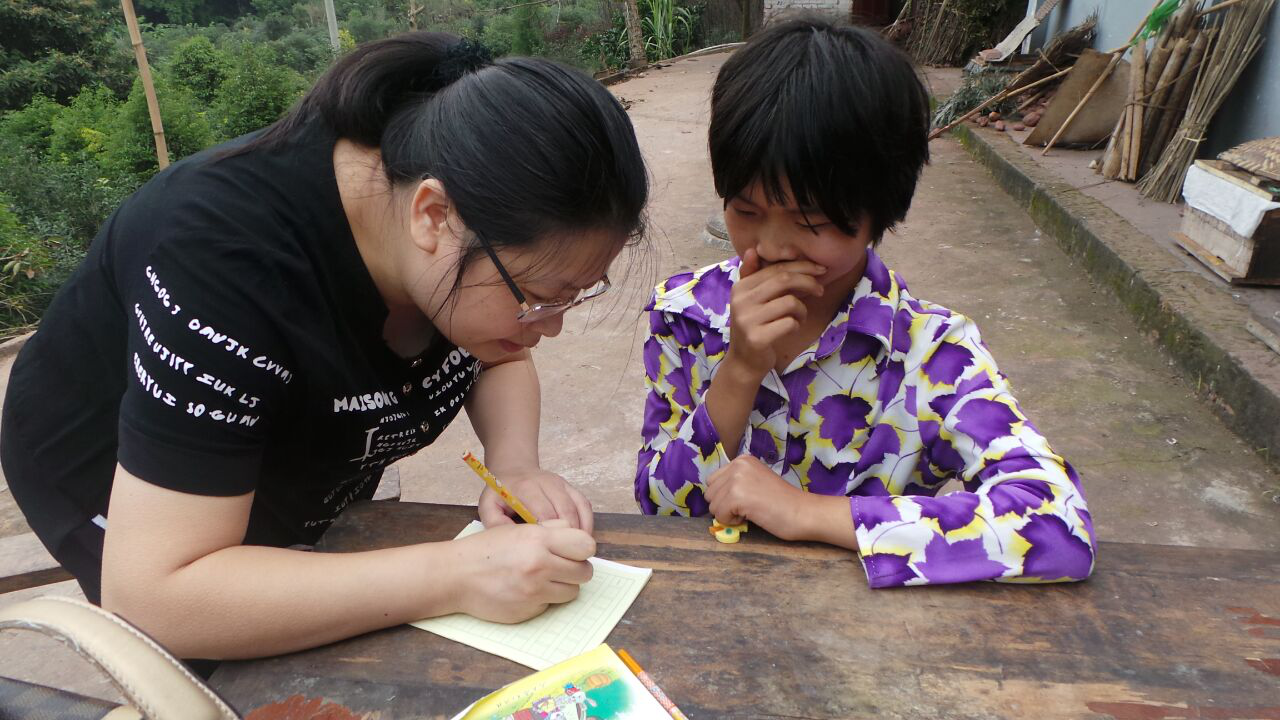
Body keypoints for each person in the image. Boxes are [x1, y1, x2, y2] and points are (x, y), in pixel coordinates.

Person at [1, 33, 649, 660]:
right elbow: (154, 597)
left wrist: (515, 466)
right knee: (233, 660)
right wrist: (459, 573)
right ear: (433, 216)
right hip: (114, 469)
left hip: (289, 437)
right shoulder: (223, 264)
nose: (550, 326)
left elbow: (499, 343)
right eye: (540, 295)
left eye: (572, 296)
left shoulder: (455, 171)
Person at [634, 17, 1095, 588]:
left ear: (880, 214)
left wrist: (811, 514)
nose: (772, 247)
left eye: (813, 223)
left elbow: (1059, 527)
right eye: (745, 211)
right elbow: (660, 510)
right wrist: (740, 370)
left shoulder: (931, 354)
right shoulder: (685, 316)